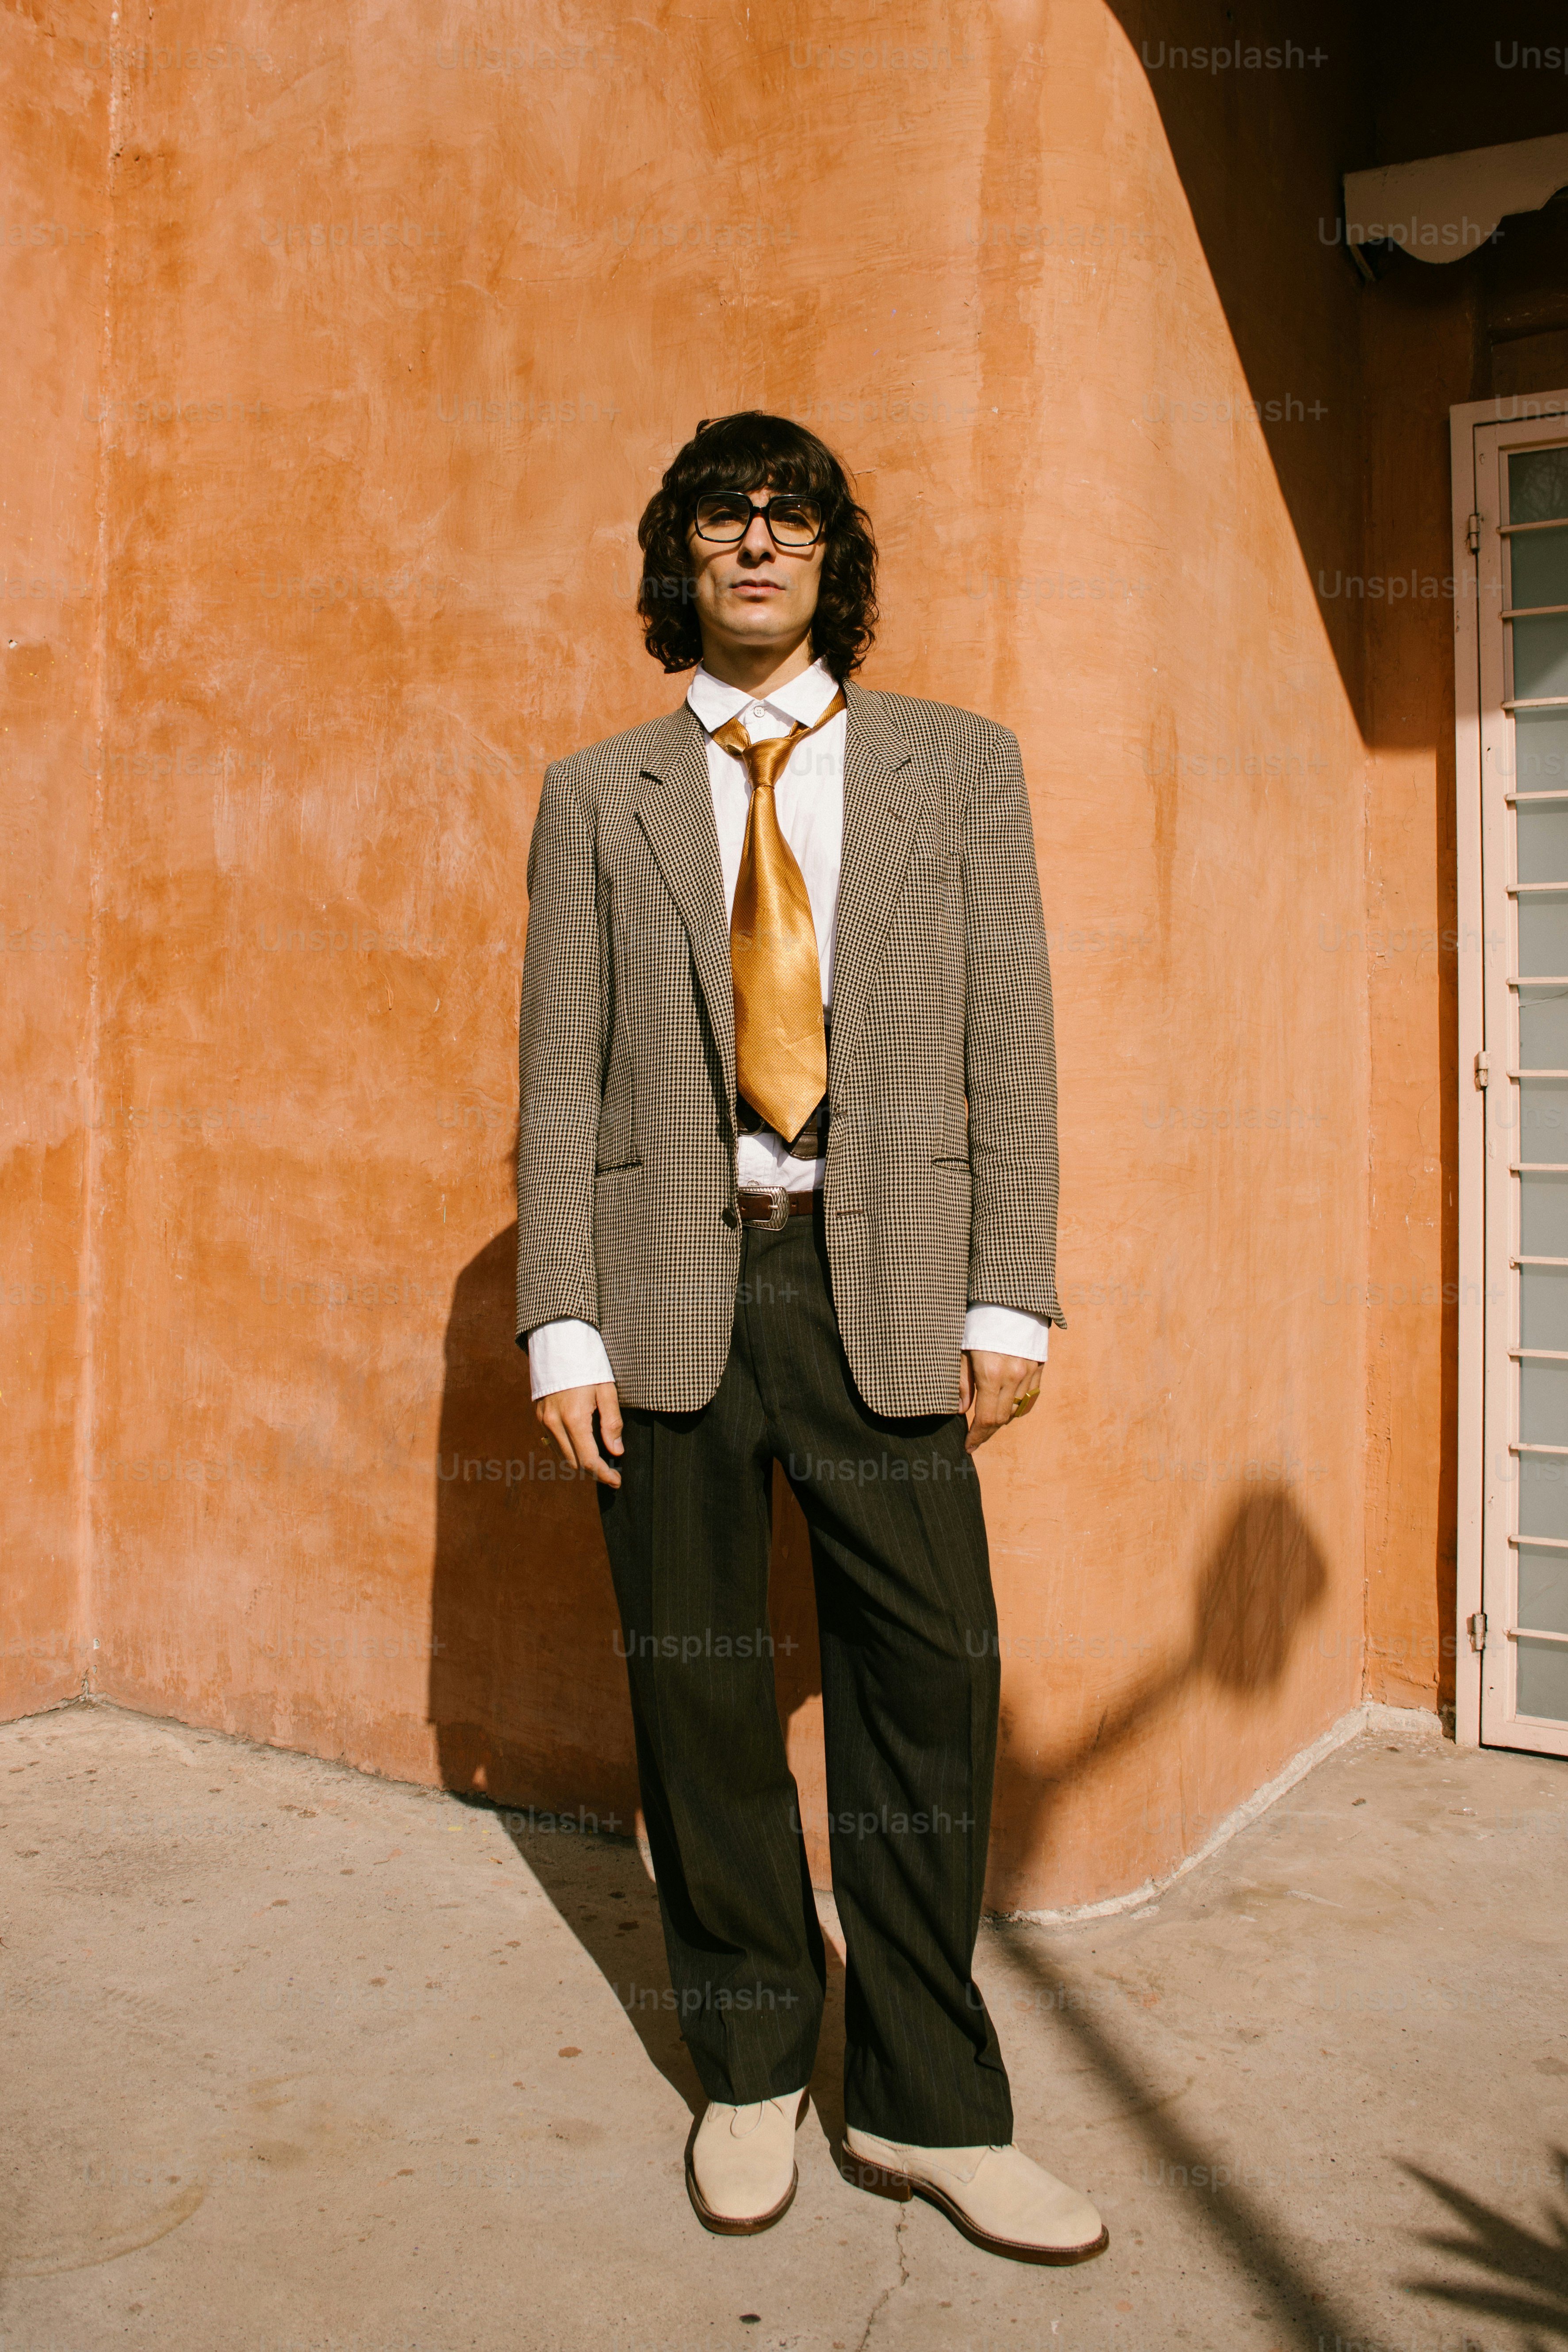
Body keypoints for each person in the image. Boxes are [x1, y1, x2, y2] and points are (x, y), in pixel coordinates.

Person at [516, 411, 1105, 2266]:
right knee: (697, 1702)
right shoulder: (595, 792)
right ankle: (754, 2064)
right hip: (673, 1292)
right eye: (719, 516)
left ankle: (929, 2105)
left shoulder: (956, 767)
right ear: (678, 555)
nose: (753, 544)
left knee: (923, 1691)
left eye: (785, 517)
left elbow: (1009, 1037)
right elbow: (558, 1073)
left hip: (888, 1291)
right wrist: (557, 1319)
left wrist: (1007, 1290)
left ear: (827, 554)